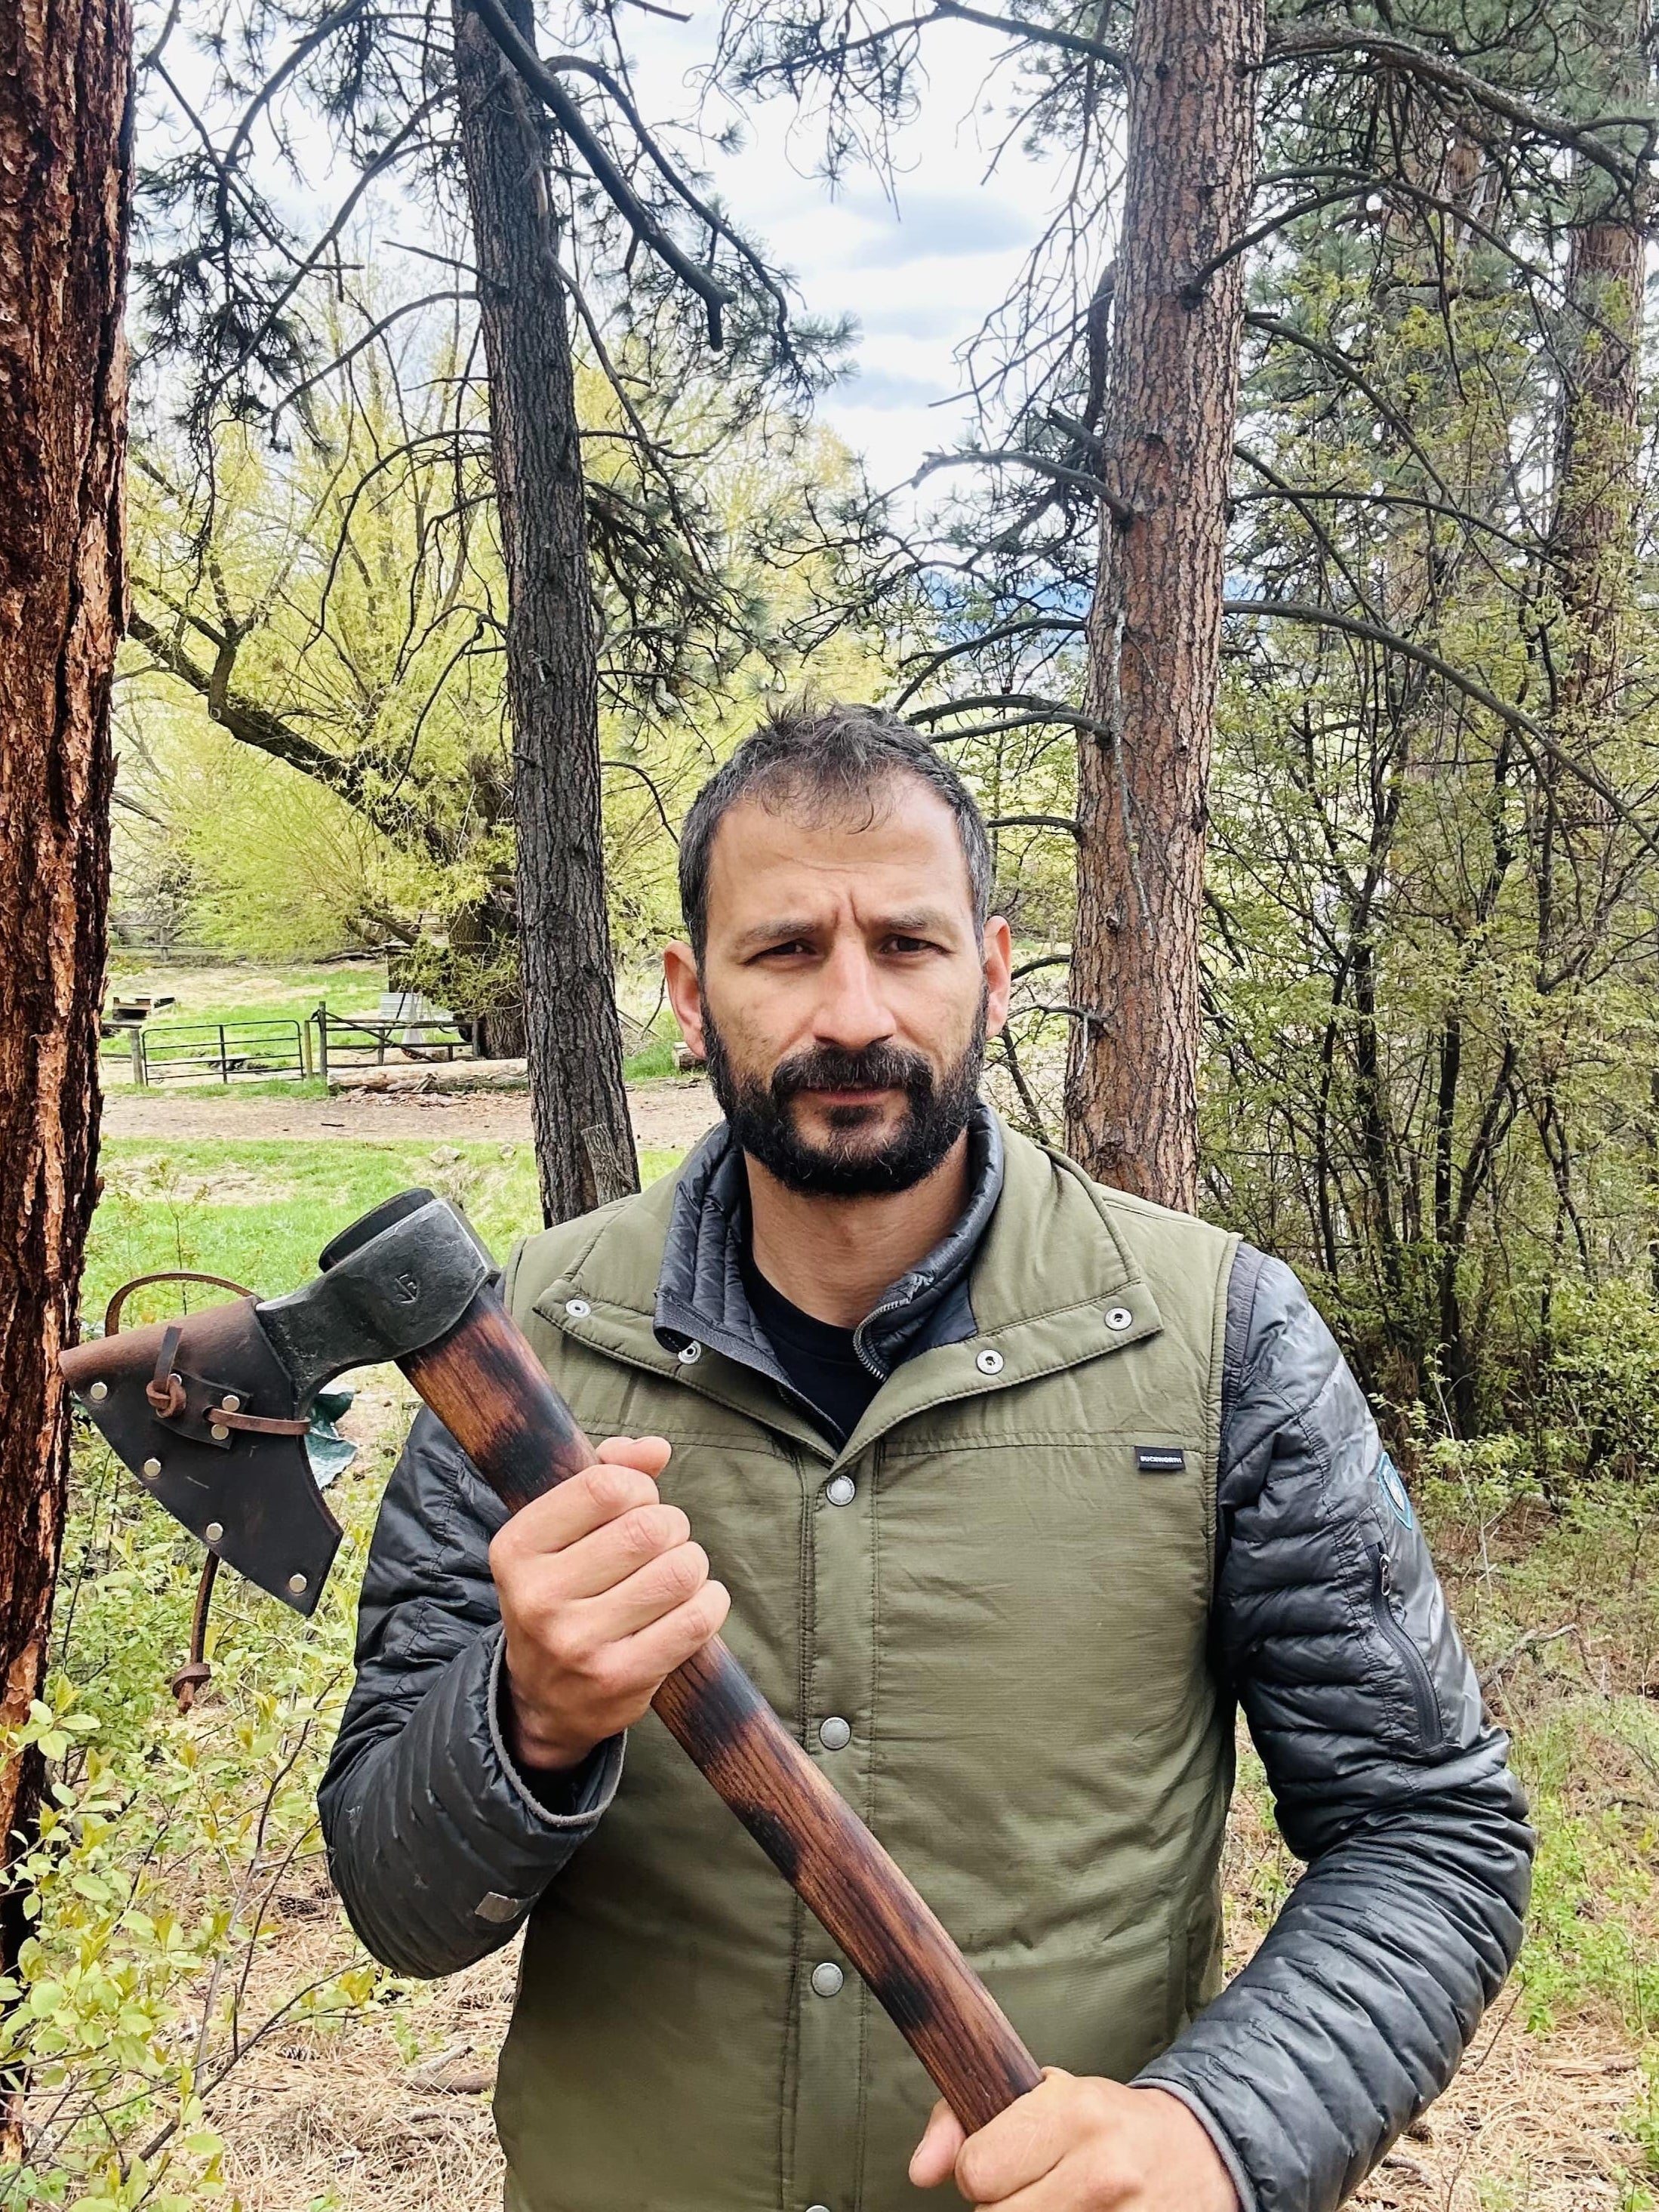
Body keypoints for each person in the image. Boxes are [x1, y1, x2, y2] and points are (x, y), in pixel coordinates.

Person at [319, 702, 1532, 2212]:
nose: (850, 1012)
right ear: (690, 996)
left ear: (994, 973)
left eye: (906, 944)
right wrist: (526, 1720)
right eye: (783, 951)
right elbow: (396, 1900)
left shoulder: (1222, 1337)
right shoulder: (518, 1357)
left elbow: (1428, 1827)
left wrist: (1219, 2133)